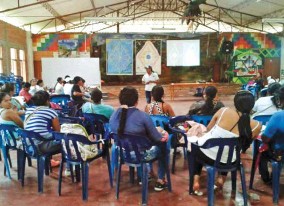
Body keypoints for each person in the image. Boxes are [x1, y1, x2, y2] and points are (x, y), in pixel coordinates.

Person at [190, 90, 261, 195]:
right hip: (230, 161)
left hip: (206, 156)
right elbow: (248, 142)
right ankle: (221, 179)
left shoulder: (224, 111)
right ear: (252, 105)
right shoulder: (256, 125)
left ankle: (196, 180)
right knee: (228, 152)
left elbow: (208, 128)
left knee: (196, 148)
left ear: (235, 102)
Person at [109, 86, 170, 191]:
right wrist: (164, 133)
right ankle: (160, 180)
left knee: (138, 146)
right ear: (136, 101)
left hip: (123, 154)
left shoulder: (113, 116)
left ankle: (144, 176)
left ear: (120, 100)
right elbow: (157, 138)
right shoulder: (143, 116)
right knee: (164, 147)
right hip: (142, 155)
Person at [24, 90, 61, 166]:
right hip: (41, 147)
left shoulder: (29, 110)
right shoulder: (50, 112)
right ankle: (69, 168)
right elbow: (58, 132)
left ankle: (49, 162)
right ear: (48, 101)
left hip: (28, 145)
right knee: (70, 142)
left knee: (46, 134)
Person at [259, 85, 284, 184]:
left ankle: (267, 179)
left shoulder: (278, 116)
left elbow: (265, 138)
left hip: (280, 153)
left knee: (261, 153)